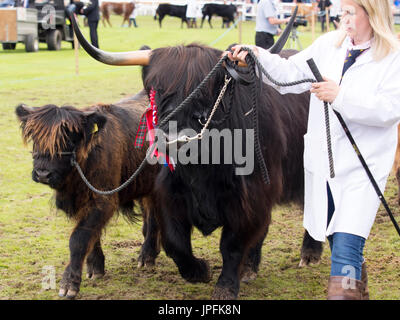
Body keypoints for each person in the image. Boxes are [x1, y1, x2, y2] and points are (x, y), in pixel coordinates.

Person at [227, 0, 400, 300]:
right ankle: (355, 278)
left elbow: (390, 110)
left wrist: (340, 95)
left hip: (362, 168)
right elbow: (288, 73)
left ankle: (345, 289)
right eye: (341, 12)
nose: (341, 19)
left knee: (345, 245)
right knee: (337, 235)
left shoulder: (393, 57)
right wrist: (255, 56)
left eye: (349, 13)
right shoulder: (329, 45)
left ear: (371, 14)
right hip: (324, 166)